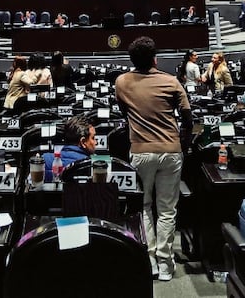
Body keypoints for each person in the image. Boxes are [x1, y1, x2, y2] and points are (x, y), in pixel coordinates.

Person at [115, 36, 192, 282]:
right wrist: (183, 146)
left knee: (144, 208)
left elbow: (124, 112)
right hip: (171, 151)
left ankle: (150, 263)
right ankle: (166, 264)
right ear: (155, 59)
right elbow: (188, 119)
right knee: (167, 210)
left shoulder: (122, 82)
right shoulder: (171, 82)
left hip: (140, 152)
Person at [42, 115, 96, 181]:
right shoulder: (94, 166)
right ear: (83, 142)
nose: (95, 142)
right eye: (93, 138)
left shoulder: (44, 160)